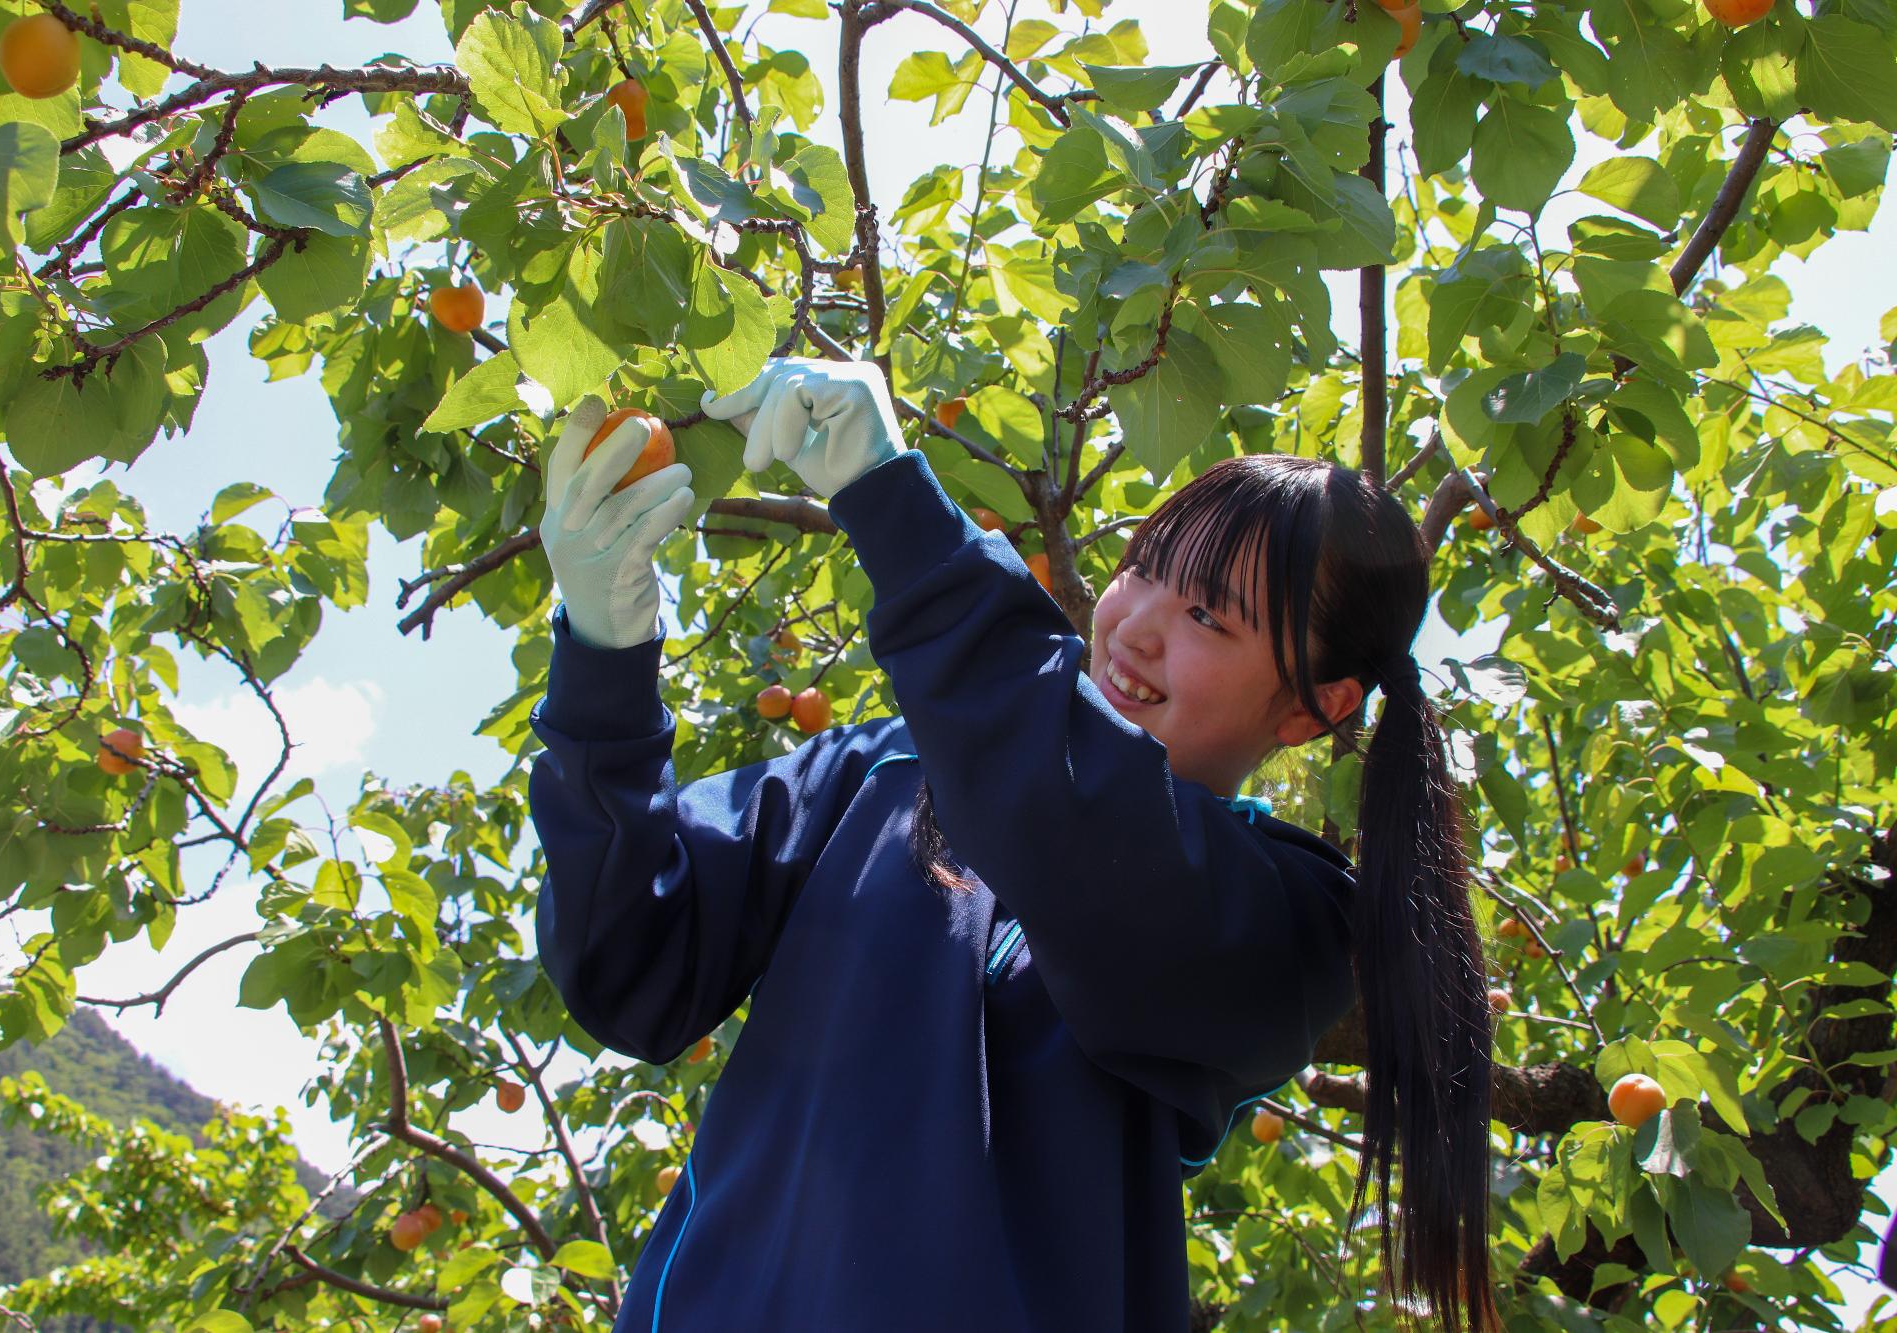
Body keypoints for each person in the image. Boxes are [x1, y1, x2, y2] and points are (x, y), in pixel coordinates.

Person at [527, 357, 1499, 1333]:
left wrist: (893, 501)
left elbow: (1081, 824)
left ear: (1311, 707)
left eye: (1208, 614)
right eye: (1142, 567)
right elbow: (631, 966)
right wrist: (604, 662)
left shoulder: (1293, 926)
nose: (1137, 626)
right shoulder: (883, 771)